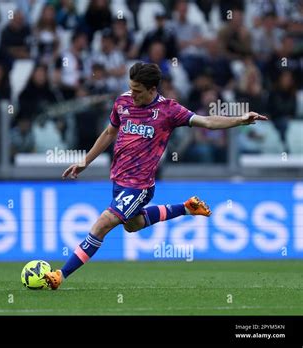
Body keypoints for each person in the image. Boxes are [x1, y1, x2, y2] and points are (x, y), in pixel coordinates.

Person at [44, 62, 268, 290]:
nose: (133, 95)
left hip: (140, 186)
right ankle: (187, 208)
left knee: (103, 224)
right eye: (131, 88)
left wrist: (240, 119)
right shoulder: (122, 102)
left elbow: (207, 122)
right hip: (118, 181)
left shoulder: (169, 111)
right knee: (133, 225)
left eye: (138, 91)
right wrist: (85, 162)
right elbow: (110, 132)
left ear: (152, 90)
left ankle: (60, 275)